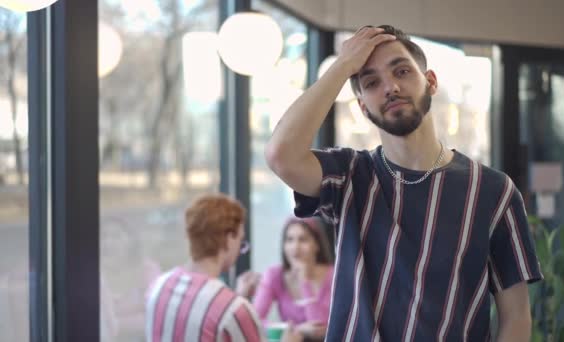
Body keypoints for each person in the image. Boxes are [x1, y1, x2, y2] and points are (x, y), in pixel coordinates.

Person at [265, 25, 543, 341]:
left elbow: (517, 316)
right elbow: (280, 155)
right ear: (362, 107)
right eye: (371, 82)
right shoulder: (350, 175)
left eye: (402, 71)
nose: (391, 87)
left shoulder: (494, 191)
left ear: (431, 81)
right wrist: (342, 67)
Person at [145, 193, 302, 342]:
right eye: (241, 241)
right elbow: (222, 312)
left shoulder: (158, 286)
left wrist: (237, 297)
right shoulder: (234, 309)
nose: (240, 250)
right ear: (229, 238)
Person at [253, 216, 334, 341]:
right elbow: (254, 321)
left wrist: (305, 281)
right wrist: (298, 329)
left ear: (316, 245)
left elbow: (319, 330)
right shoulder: (274, 275)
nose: (295, 247)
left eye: (303, 240)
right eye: (289, 240)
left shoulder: (333, 275)